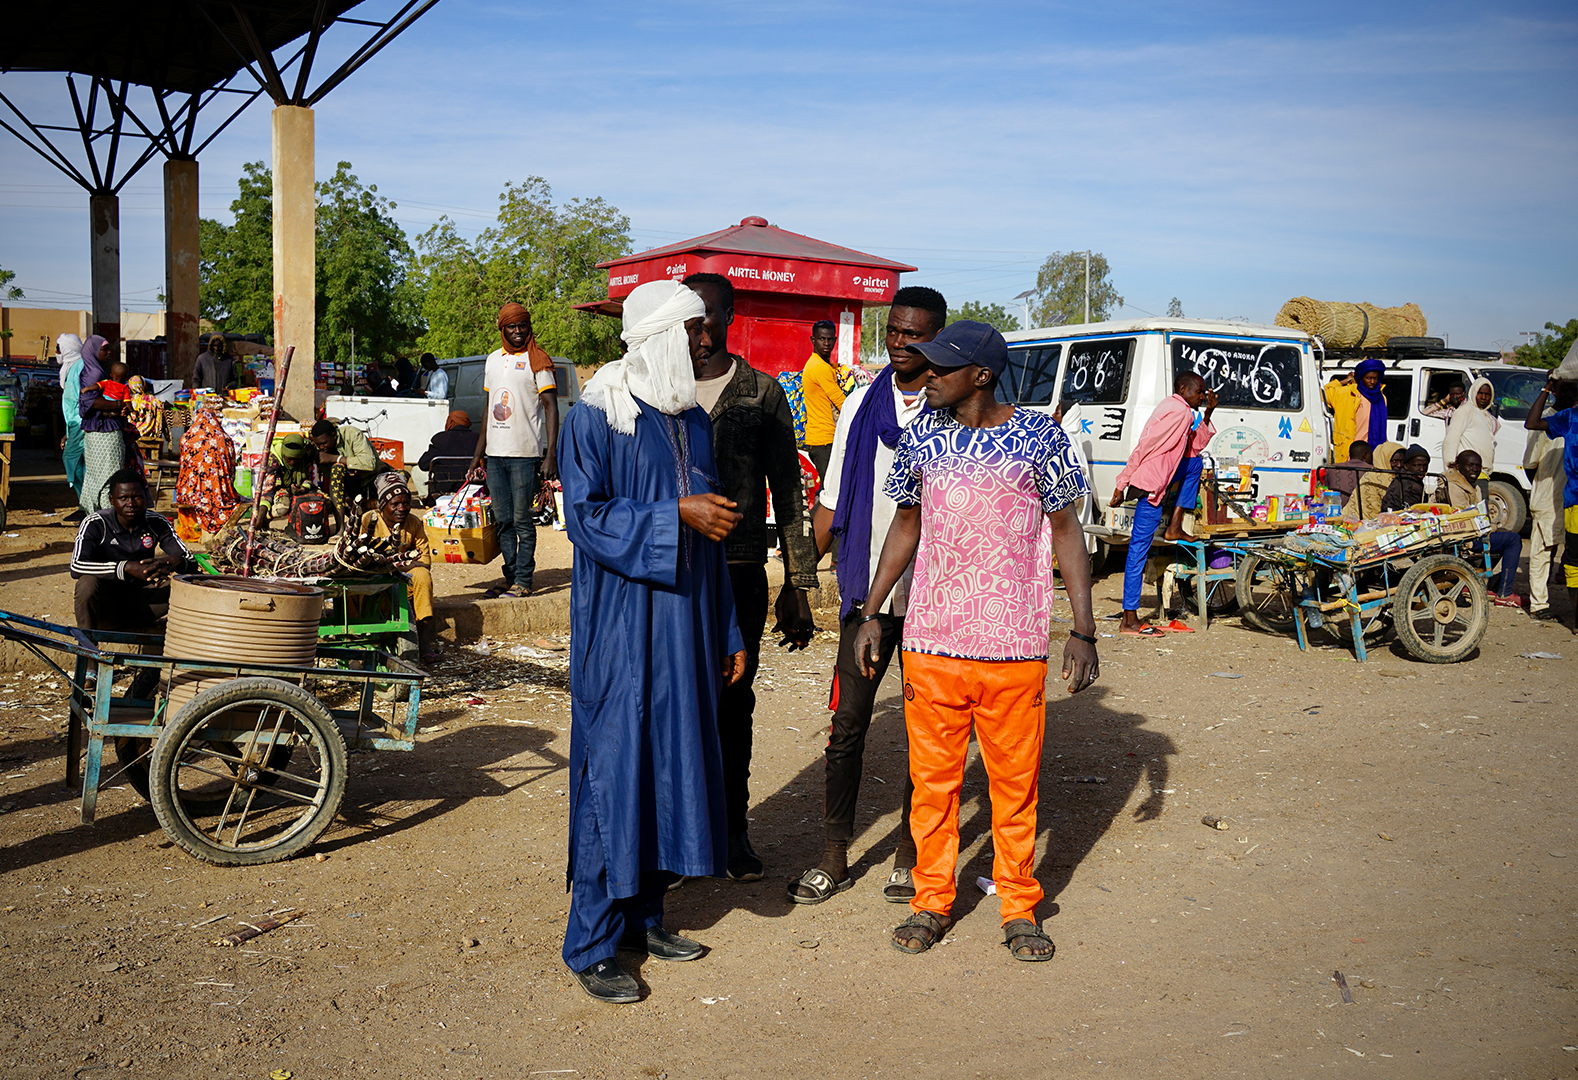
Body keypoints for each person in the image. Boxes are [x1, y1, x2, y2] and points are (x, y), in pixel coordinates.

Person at [850, 320, 1098, 961]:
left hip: (1015, 647)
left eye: (940, 368)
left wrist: (1084, 629)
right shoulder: (918, 440)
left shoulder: (1041, 439)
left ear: (981, 375)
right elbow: (906, 527)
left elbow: (1066, 533)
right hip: (932, 642)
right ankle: (932, 900)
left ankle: (1019, 904)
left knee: (1014, 787)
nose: (926, 377)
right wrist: (871, 611)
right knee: (933, 785)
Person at [556, 279, 747, 1005]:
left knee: (671, 767)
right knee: (615, 772)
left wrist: (727, 628)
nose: (707, 341)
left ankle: (645, 919)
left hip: (690, 627)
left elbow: (718, 528)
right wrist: (674, 512)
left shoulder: (691, 419)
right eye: (695, 331)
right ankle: (592, 942)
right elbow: (586, 519)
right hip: (623, 629)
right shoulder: (596, 417)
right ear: (662, 337)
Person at [789, 284, 947, 906]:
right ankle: (834, 854)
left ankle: (909, 853)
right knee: (848, 724)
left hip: (935, 602)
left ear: (937, 338)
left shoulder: (953, 409)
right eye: (895, 332)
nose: (902, 345)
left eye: (916, 335)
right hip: (865, 598)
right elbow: (829, 502)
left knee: (923, 735)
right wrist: (799, 581)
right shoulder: (859, 406)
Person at [682, 272, 819, 881]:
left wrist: (798, 582)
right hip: (674, 575)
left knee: (734, 704)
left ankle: (734, 832)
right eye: (690, 319)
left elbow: (788, 491)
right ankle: (681, 834)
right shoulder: (662, 391)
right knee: (678, 704)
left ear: (730, 317)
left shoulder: (761, 393)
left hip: (738, 575)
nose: (700, 332)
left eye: (709, 318)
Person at [1111, 372, 1217, 635]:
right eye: (1200, 392)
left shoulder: (1180, 410)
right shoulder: (1178, 412)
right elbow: (1144, 445)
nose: (1203, 396)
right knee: (1137, 552)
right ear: (1184, 389)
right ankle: (1129, 619)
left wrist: (1208, 414)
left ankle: (1175, 525)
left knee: (1195, 464)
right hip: (1150, 486)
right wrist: (1121, 483)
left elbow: (1193, 449)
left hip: (1160, 479)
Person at [467, 303, 560, 599]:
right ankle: (509, 577)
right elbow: (488, 409)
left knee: (522, 520)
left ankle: (524, 580)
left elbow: (550, 407)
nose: (518, 332)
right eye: (512, 327)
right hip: (495, 455)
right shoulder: (493, 361)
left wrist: (550, 454)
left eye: (522, 326)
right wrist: (477, 455)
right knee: (503, 520)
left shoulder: (539, 361)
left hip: (525, 454)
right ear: (502, 329)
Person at [71, 468, 194, 631]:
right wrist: (126, 567)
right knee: (87, 583)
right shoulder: (95, 523)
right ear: (112, 500)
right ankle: (88, 648)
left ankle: (187, 640)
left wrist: (175, 562)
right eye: (123, 498)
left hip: (145, 604)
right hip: (105, 606)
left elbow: (191, 562)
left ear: (145, 496)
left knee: (186, 585)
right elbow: (76, 566)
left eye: (137, 497)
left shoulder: (157, 522)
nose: (131, 503)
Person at [360, 472, 440, 662]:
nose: (402, 508)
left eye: (406, 503)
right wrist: (404, 564)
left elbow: (425, 560)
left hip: (403, 582)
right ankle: (359, 641)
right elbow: (364, 560)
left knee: (421, 576)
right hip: (372, 579)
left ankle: (423, 642)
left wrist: (400, 566)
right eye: (395, 504)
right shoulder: (368, 521)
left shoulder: (414, 522)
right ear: (382, 506)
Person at [1524, 376, 1578, 634]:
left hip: (1568, 497)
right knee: (1543, 549)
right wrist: (1540, 491)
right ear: (1554, 390)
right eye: (1564, 389)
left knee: (1568, 552)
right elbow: (1530, 463)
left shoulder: (1572, 417)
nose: (1569, 394)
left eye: (1573, 390)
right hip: (1548, 494)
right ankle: (1539, 603)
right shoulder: (1552, 419)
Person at [1437, 449, 1523, 608]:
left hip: (1469, 533)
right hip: (1461, 538)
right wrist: (1490, 529)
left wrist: (1495, 528)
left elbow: (1479, 515)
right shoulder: (1455, 486)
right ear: (1458, 466)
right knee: (1513, 540)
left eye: (1478, 466)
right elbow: (1463, 518)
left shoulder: (1468, 484)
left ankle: (1471, 581)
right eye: (1470, 465)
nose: (1475, 469)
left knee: (1505, 535)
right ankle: (1505, 593)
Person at [78, 335, 128, 514]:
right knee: (110, 477)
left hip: (94, 431)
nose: (109, 352)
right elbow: (92, 402)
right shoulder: (96, 373)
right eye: (104, 349)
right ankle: (109, 519)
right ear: (93, 350)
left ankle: (93, 516)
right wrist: (119, 405)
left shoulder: (89, 370)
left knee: (94, 477)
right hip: (105, 432)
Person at [173, 406, 240, 534]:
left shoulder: (187, 439)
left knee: (182, 488)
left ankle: (190, 530)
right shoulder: (225, 439)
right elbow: (231, 471)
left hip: (191, 494)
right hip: (222, 494)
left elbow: (183, 470)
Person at [801, 319, 846, 481]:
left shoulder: (822, 365)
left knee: (829, 490)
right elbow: (841, 402)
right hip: (824, 440)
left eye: (830, 339)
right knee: (832, 492)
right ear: (813, 340)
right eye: (822, 339)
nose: (826, 343)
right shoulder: (819, 367)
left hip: (823, 439)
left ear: (835, 340)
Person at [310, 419, 380, 521]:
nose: (321, 447)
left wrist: (336, 458)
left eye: (324, 443)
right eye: (318, 444)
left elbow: (369, 463)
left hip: (373, 480)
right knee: (337, 471)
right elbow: (331, 477)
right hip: (352, 486)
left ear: (334, 435)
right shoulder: (319, 450)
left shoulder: (352, 434)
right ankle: (340, 527)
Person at [259, 433, 323, 519]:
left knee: (324, 502)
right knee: (281, 509)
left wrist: (303, 488)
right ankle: (266, 519)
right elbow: (268, 489)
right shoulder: (273, 460)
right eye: (289, 459)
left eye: (296, 459)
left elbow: (308, 478)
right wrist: (262, 514)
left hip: (303, 490)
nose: (292, 463)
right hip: (281, 490)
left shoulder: (307, 453)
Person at [418, 410, 480, 496]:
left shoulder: (441, 438)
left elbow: (423, 464)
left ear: (450, 421)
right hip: (475, 486)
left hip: (445, 488)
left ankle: (427, 500)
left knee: (415, 471)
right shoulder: (478, 438)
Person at [1443, 376, 1499, 471]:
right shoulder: (1465, 411)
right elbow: (1451, 440)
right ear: (1473, 393)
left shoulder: (1486, 416)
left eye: (1487, 394)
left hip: (1482, 472)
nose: (1483, 397)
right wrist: (1450, 467)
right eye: (1480, 393)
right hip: (1467, 471)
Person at [57, 333, 86, 512]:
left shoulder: (80, 367)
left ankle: (87, 505)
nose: (56, 352)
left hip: (80, 423)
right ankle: (85, 505)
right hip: (74, 424)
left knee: (72, 461)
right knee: (79, 464)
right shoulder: (70, 367)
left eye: (59, 348)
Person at [1344, 440, 1404, 520]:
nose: (1399, 465)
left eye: (1402, 461)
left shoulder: (1395, 477)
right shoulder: (1377, 477)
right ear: (1384, 459)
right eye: (1394, 461)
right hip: (1360, 521)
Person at [1379, 443, 1431, 511]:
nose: (1421, 469)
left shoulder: (1415, 481)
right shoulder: (1402, 483)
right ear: (1406, 466)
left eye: (1424, 465)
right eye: (1417, 465)